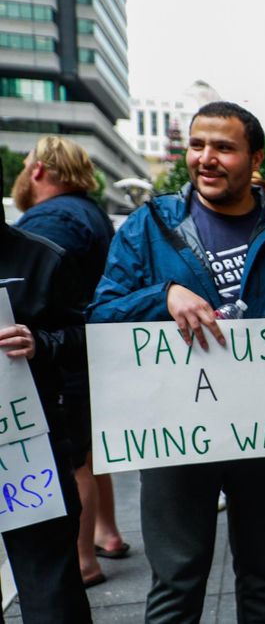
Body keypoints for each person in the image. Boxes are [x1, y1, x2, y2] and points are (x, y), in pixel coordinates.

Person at [88, 101, 265, 623]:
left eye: (224, 147)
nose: (206, 158)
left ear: (255, 160)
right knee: (177, 582)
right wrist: (164, 296)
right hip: (176, 437)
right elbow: (101, 315)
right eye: (198, 145)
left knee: (263, 576)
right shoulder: (148, 225)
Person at [12, 136, 128, 588]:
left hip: (64, 362)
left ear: (39, 170)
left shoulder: (48, 221)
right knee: (89, 451)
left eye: (26, 165)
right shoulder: (90, 212)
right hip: (90, 355)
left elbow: (35, 297)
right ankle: (108, 534)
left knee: (73, 457)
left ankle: (83, 560)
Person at [0, 159, 92, 622]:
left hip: (28, 452)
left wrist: (41, 343)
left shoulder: (44, 258)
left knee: (51, 591)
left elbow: (89, 338)